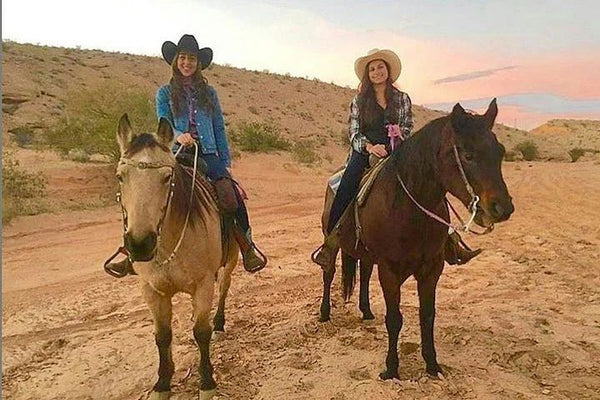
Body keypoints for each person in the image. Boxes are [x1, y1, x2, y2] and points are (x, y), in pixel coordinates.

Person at [106, 34, 266, 276]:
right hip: (177, 152)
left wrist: (225, 163)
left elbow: (219, 127)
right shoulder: (165, 93)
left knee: (231, 196)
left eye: (192, 58)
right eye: (183, 58)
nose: (187, 63)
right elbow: (163, 122)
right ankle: (131, 253)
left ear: (198, 63)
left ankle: (247, 247)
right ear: (176, 61)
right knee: (145, 191)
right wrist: (179, 134)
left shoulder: (209, 94)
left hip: (208, 152)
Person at [312, 48, 481, 269]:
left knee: (430, 184)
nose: (377, 72)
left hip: (398, 152)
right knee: (346, 184)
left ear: (388, 70)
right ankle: (331, 240)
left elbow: (408, 126)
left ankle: (451, 241)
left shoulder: (402, 99)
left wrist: (399, 137)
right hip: (366, 152)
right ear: (367, 74)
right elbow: (353, 132)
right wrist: (370, 147)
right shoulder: (359, 101)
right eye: (372, 69)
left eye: (380, 67)